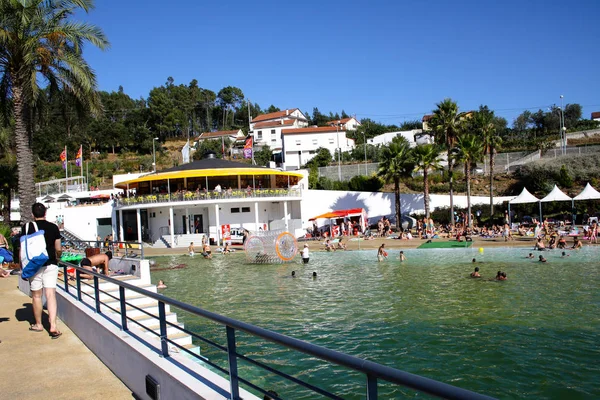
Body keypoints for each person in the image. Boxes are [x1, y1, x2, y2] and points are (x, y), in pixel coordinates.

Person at [24, 203, 62, 339]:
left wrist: (23, 267)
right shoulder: (53, 227)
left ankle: (39, 324)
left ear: (33, 214)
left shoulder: (27, 227)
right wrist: (58, 256)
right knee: (50, 294)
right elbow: (58, 248)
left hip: (34, 266)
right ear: (45, 213)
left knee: (36, 295)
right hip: (50, 263)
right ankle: (53, 326)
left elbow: (23, 249)